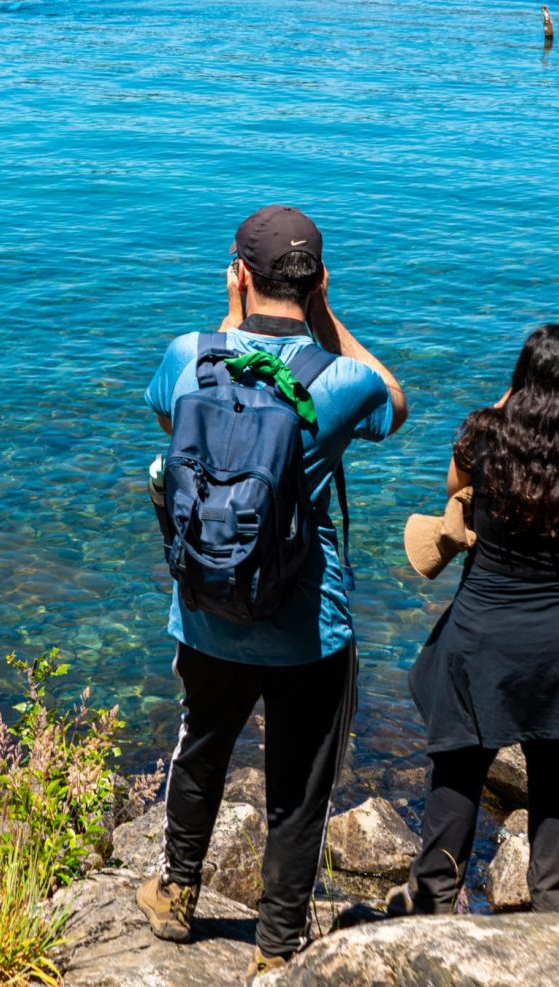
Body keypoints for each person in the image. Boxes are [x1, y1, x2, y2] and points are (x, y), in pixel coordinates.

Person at [137, 205, 408, 973]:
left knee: (201, 751)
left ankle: (176, 895)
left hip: (206, 610)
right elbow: (397, 401)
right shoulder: (340, 379)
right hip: (307, 626)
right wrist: (328, 318)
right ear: (317, 279)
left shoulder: (189, 354)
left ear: (240, 272)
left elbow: (174, 419)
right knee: (298, 783)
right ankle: (277, 945)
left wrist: (229, 319)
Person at [394, 323, 559, 916]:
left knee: (459, 761)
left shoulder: (483, 440)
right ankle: (556, 907)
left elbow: (454, 489)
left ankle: (432, 903)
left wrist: (498, 407)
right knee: (557, 765)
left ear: (519, 381)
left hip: (486, 630)